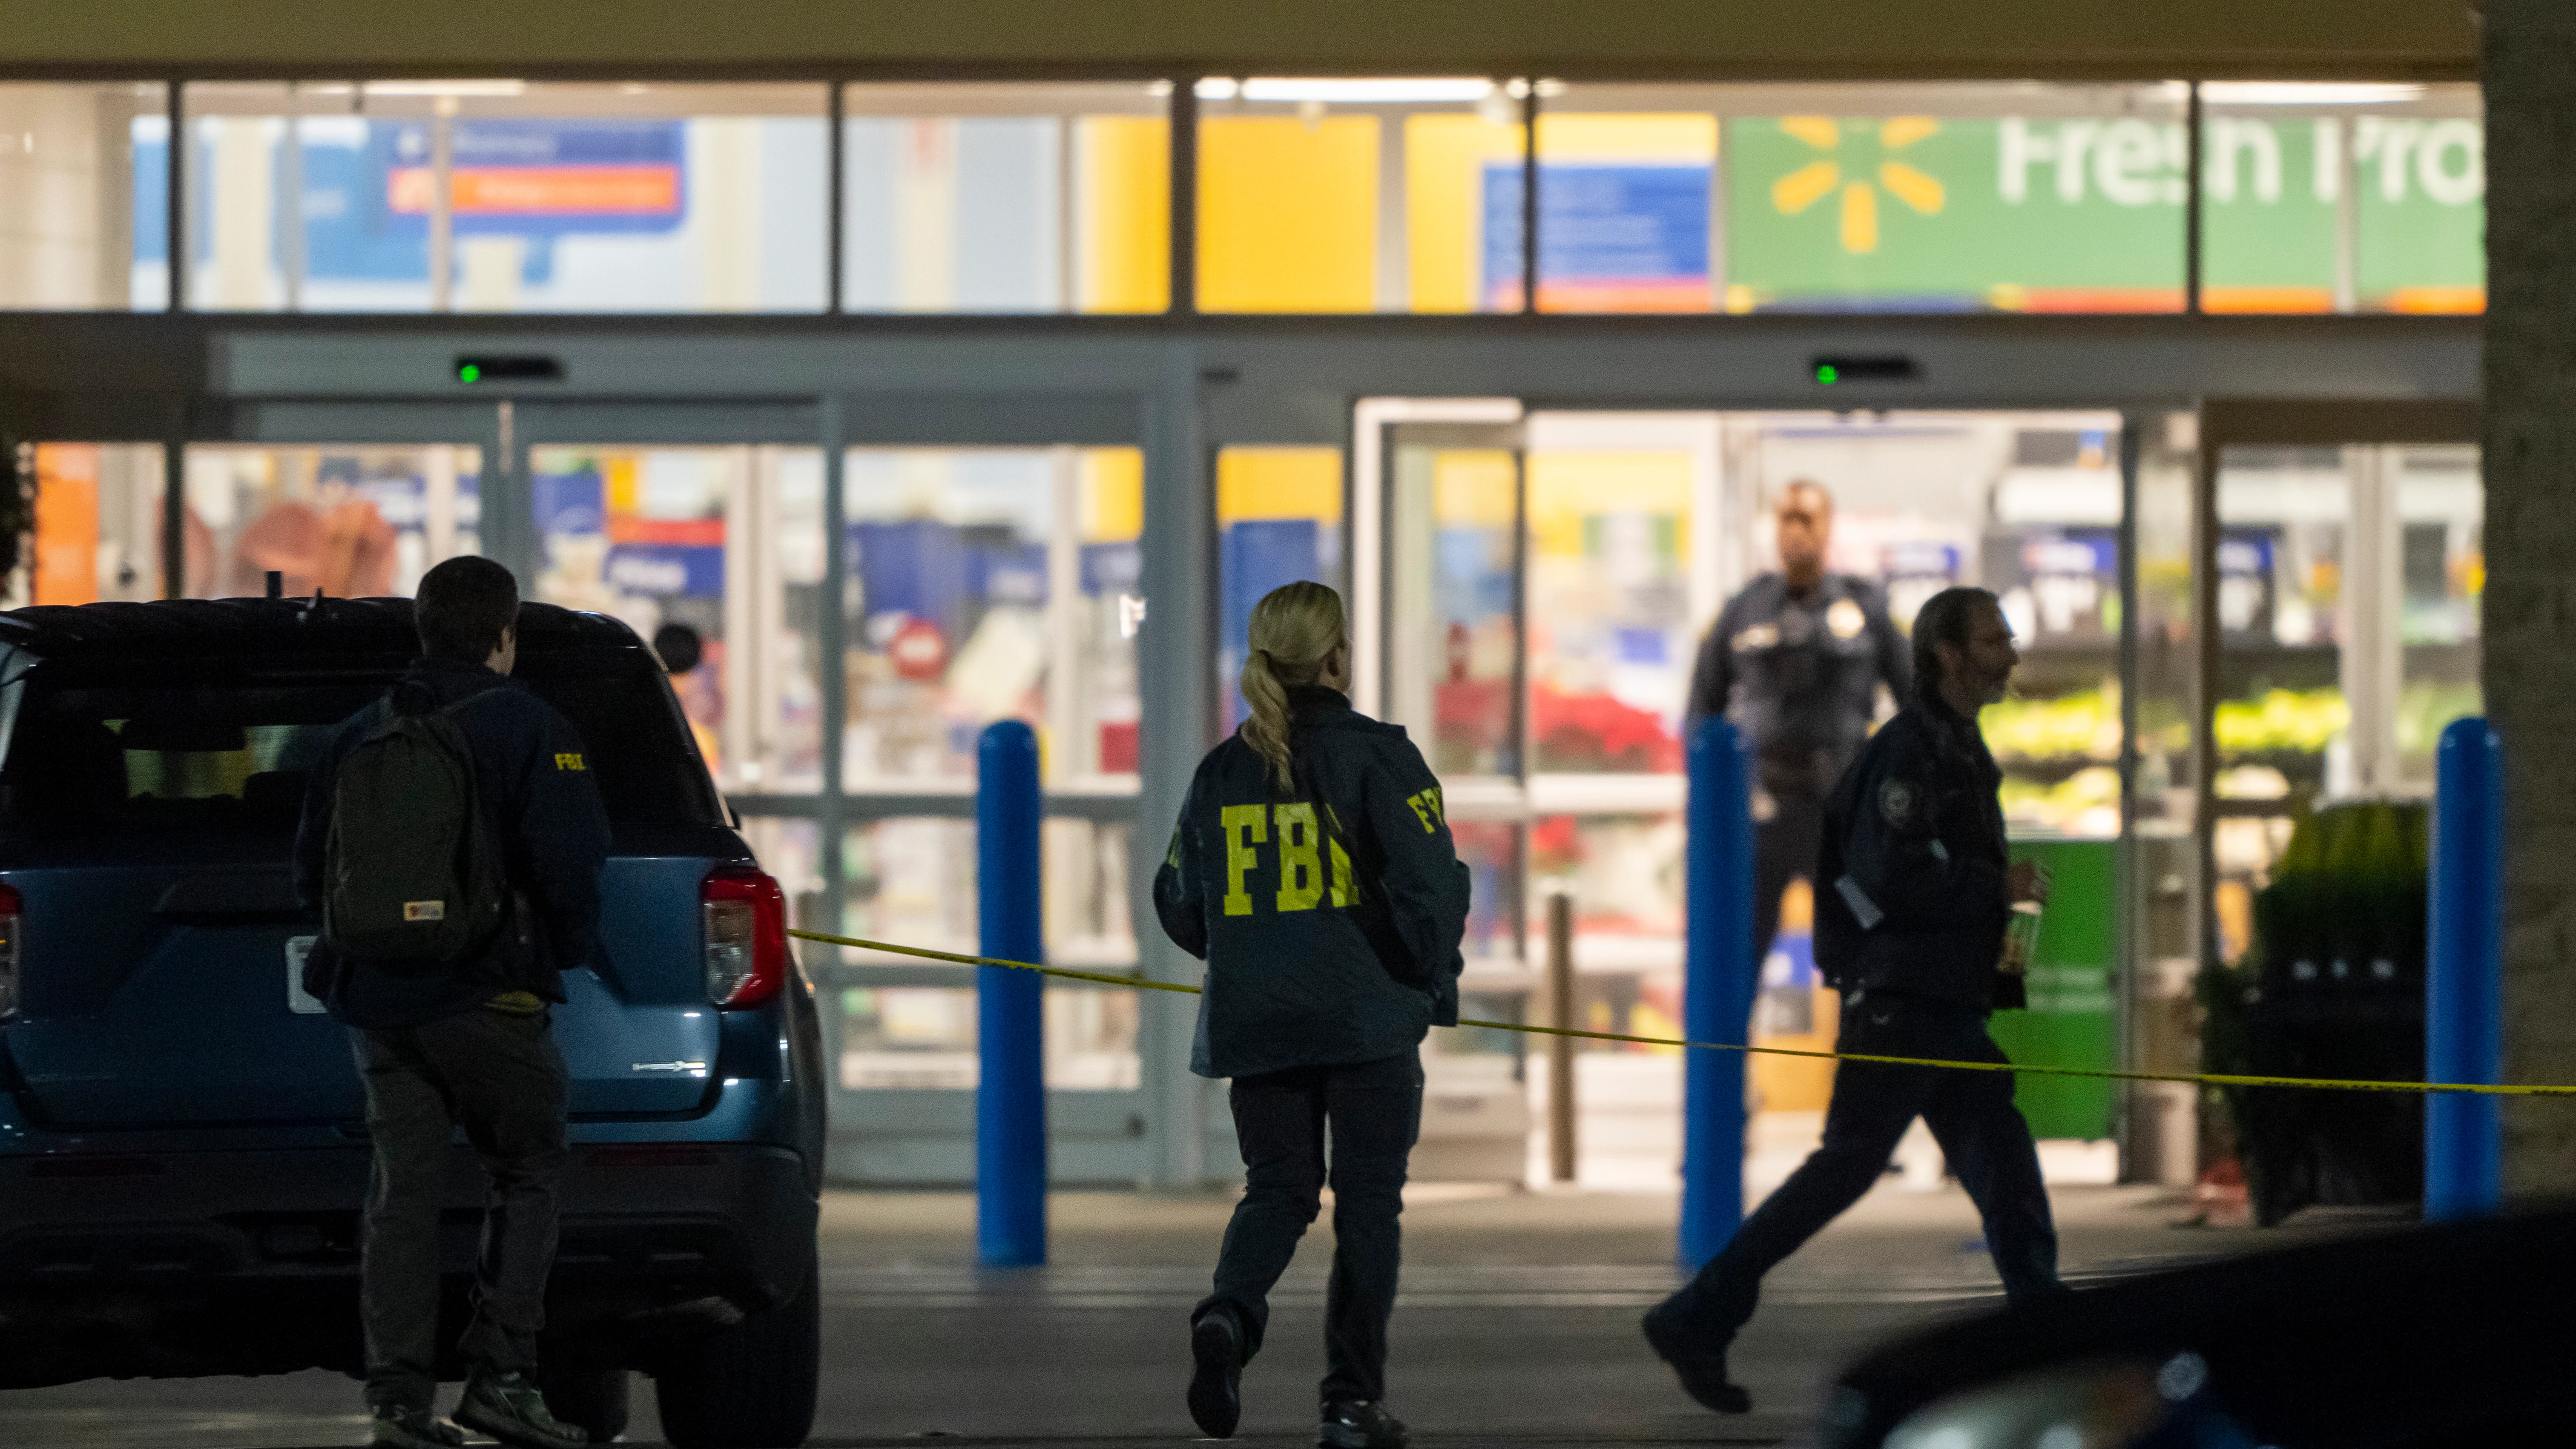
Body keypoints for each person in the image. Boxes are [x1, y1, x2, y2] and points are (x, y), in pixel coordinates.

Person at [1643, 585, 2060, 1414]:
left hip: (1944, 1003)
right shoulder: (1910, 754)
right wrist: (1994, 886)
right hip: (1903, 1004)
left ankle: (2047, 1336)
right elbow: (1889, 876)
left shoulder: (1959, 749)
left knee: (2003, 1169)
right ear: (1948, 653)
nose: (2010, 653)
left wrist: (2002, 940)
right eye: (1994, 638)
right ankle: (1697, 1313)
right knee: (1848, 1166)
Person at [295, 557, 612, 1449]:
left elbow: (308, 867)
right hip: (487, 995)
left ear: (424, 630)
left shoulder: (362, 730)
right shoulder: (528, 725)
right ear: (504, 634)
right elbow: (572, 864)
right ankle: (502, 1378)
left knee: (402, 1194)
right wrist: (562, 951)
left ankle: (397, 1402)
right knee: (529, 1166)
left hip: (380, 1004)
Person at [1154, 580, 1471, 1449]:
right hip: (1367, 1025)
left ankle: (1228, 1314)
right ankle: (1349, 1402)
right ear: (1336, 659)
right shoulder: (1380, 758)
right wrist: (1430, 980)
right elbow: (1429, 889)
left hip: (1257, 1028)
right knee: (1368, 1209)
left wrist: (1255, 961)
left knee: (1279, 1191)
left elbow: (1179, 902)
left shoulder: (1221, 771)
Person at [1684, 479, 1909, 965]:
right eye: (1786, 519)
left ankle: (1861, 1044)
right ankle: (1733, 1044)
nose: (1796, 532)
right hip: (1766, 809)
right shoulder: (1745, 609)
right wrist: (1715, 797)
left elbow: (1916, 700)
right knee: (1737, 954)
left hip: (1844, 813)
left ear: (1827, 526)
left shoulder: (1865, 607)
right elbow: (1703, 708)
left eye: (1807, 519)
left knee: (1864, 954)